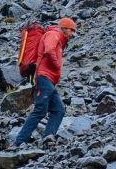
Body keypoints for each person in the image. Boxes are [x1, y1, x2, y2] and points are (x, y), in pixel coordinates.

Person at [8, 17, 77, 149]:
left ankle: (48, 136)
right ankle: (18, 142)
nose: (73, 34)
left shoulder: (59, 38)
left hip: (49, 80)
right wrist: (57, 65)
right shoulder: (54, 34)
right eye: (72, 30)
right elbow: (49, 50)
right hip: (43, 77)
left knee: (59, 110)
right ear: (65, 28)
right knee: (40, 110)